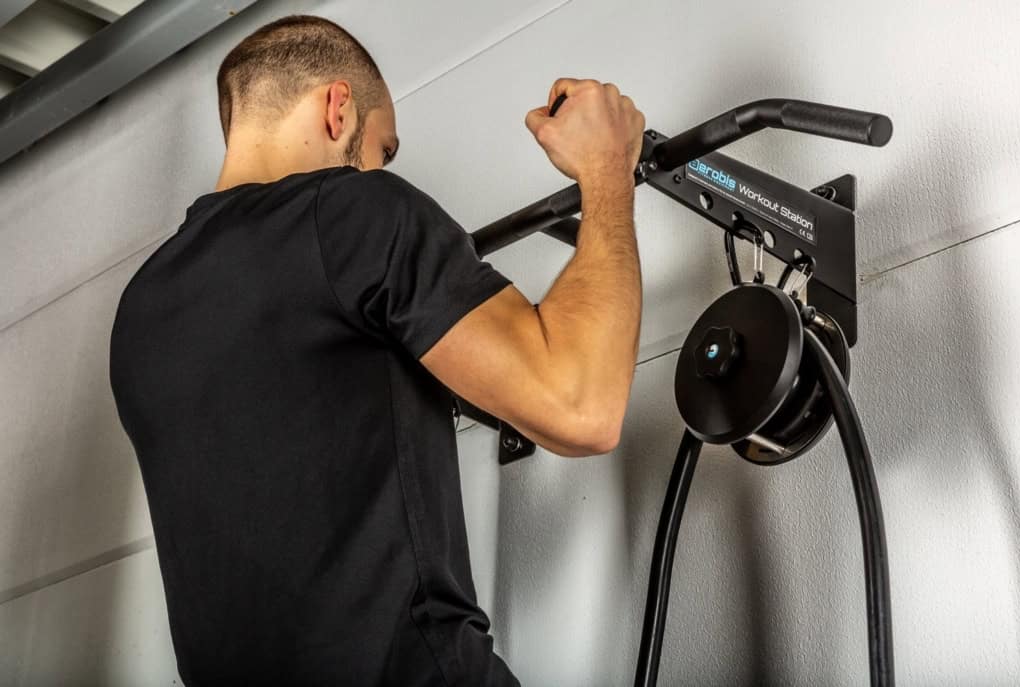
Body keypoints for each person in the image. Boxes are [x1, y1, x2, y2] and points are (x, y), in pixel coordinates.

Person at [109, 13, 644, 687]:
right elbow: (582, 405)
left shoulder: (143, 309)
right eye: (382, 149)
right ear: (338, 109)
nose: (380, 170)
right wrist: (606, 170)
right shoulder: (352, 211)